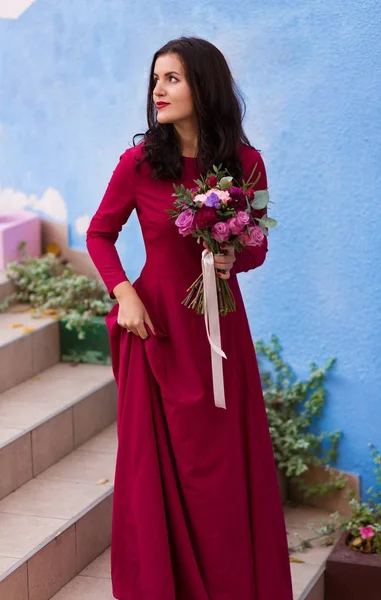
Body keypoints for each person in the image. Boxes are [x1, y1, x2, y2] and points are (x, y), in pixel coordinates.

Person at [87, 36, 293, 600]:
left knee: (224, 473)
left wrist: (232, 256)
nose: (158, 89)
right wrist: (124, 294)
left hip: (221, 333)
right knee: (158, 473)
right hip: (156, 332)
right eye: (156, 78)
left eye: (172, 78)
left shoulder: (248, 165)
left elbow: (258, 248)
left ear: (204, 85)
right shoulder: (137, 163)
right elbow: (99, 234)